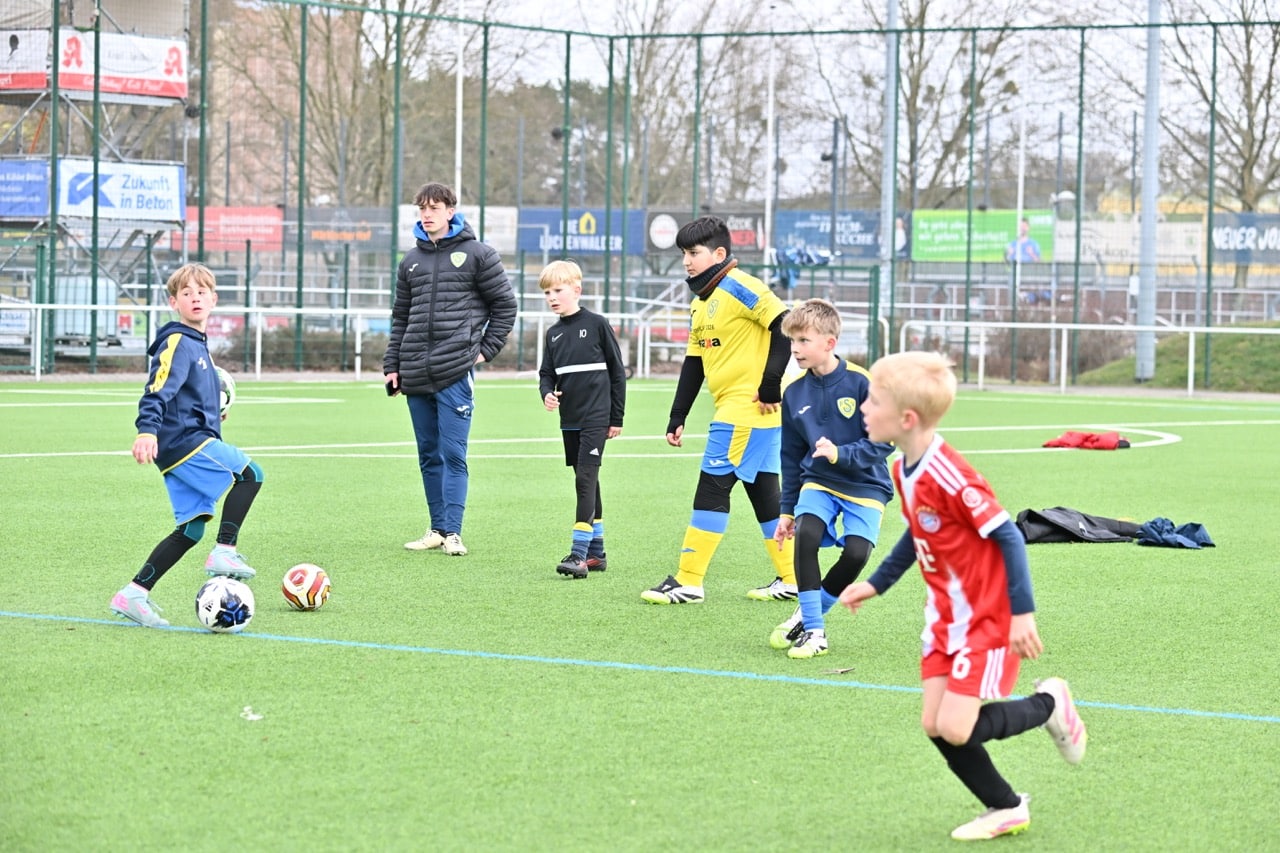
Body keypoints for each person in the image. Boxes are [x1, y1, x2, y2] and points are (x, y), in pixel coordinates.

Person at [839, 351, 1087, 842]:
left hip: (985, 616)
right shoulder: (903, 469)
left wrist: (1022, 614)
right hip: (943, 616)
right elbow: (918, 534)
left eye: (873, 401)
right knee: (934, 724)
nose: (863, 408)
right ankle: (1006, 806)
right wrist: (876, 583)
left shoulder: (949, 474)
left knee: (956, 727)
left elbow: (1009, 536)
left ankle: (1049, 704)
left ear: (906, 419)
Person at [641, 215, 797, 604]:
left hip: (747, 410)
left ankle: (689, 581)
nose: (687, 261)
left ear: (720, 254)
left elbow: (784, 324)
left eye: (694, 253)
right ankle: (793, 578)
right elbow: (694, 363)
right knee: (764, 495)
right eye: (683, 254)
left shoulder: (741, 287)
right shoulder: (701, 302)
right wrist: (678, 415)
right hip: (745, 413)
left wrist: (770, 382)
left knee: (712, 486)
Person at [110, 263, 263, 628]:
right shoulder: (177, 341)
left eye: (201, 292)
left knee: (191, 529)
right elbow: (158, 388)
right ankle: (225, 551)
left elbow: (191, 393)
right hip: (184, 441)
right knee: (250, 474)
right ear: (173, 302)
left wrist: (214, 413)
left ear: (214, 299)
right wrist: (147, 430)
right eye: (186, 293)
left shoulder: (197, 345)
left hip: (186, 442)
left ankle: (133, 594)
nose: (195, 298)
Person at [386, 182, 517, 557]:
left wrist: (484, 351)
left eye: (434, 208)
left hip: (455, 372)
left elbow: (505, 307)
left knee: (453, 453)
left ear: (450, 211)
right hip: (414, 372)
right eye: (421, 209)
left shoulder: (478, 254)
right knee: (428, 454)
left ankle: (455, 533)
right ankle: (437, 529)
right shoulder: (410, 260)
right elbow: (401, 318)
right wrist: (392, 365)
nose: (427, 215)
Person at [770, 299, 894, 658]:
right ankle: (815, 632)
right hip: (818, 480)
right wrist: (787, 509)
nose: (795, 349)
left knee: (856, 555)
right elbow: (791, 457)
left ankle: (808, 613)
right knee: (806, 536)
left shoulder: (862, 382)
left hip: (867, 483)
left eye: (804, 340)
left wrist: (843, 454)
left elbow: (884, 441)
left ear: (830, 342)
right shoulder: (793, 393)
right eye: (792, 341)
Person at [537, 260, 627, 579]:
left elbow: (618, 373)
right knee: (588, 478)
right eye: (547, 292)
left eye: (558, 290)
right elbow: (547, 374)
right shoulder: (553, 334)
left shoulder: (598, 324)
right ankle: (597, 553)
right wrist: (546, 393)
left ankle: (578, 554)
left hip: (596, 417)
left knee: (584, 480)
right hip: (569, 419)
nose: (552, 297)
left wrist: (616, 417)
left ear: (577, 289)